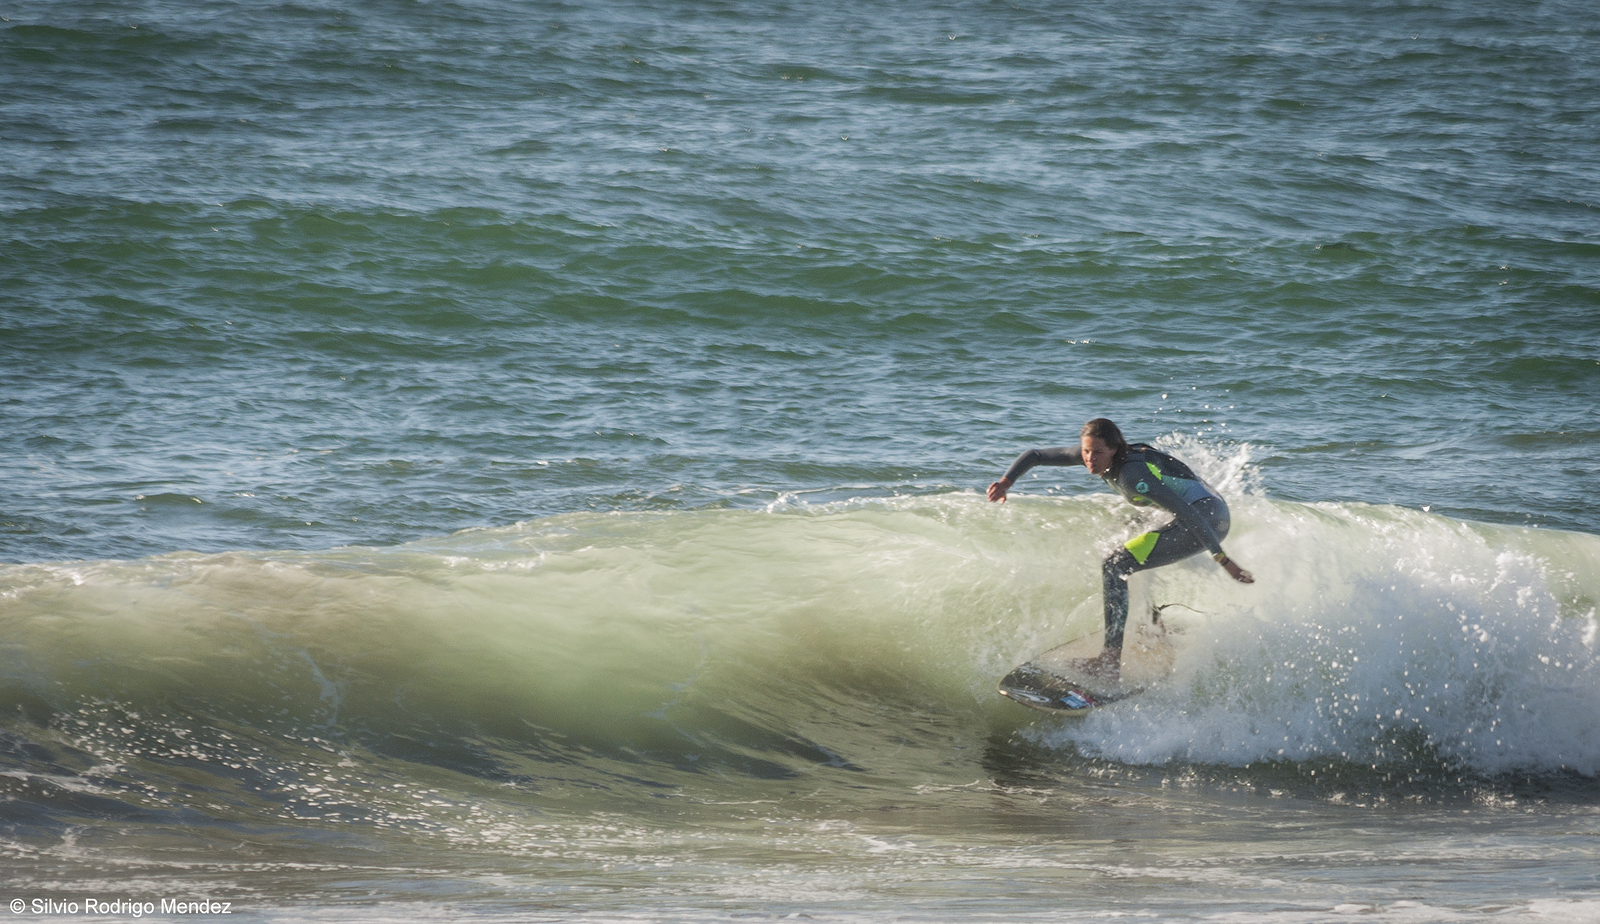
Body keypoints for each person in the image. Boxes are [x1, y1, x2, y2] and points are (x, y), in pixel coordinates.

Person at [987, 418, 1253, 680]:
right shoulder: (1098, 456)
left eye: (1097, 453)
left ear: (1114, 449)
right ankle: (1154, 623)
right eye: (1086, 451)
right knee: (1126, 538)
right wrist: (1005, 483)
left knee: (1115, 564)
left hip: (1207, 520)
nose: (1090, 459)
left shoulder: (1133, 476)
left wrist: (1223, 559)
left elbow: (1188, 513)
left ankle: (1110, 662)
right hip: (1202, 510)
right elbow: (1035, 455)